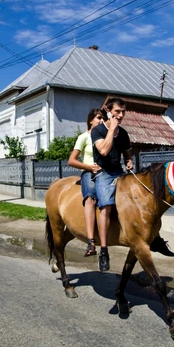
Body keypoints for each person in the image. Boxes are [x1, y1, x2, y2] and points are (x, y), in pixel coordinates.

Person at [91, 98, 174, 272]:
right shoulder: (97, 130)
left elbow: (127, 154)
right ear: (108, 110)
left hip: (120, 173)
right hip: (103, 174)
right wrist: (111, 129)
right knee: (105, 204)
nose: (120, 116)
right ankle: (104, 251)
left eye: (123, 112)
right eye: (117, 112)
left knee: (145, 198)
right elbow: (104, 151)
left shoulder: (123, 133)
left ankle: (156, 239)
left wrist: (129, 161)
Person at [68, 108, 104, 257]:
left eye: (103, 118)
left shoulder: (105, 137)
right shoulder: (84, 137)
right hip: (89, 172)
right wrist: (89, 167)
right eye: (98, 118)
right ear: (90, 120)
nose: (101, 121)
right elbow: (71, 161)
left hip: (106, 172)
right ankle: (91, 241)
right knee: (90, 198)